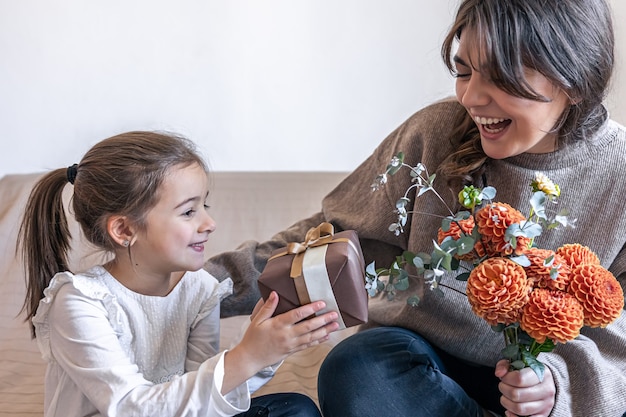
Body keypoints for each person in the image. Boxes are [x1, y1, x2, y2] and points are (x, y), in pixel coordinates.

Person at [204, 0, 626, 416]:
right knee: (357, 368)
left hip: (541, 388)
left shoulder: (619, 173)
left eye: (499, 76)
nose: (471, 97)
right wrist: (192, 290)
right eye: (463, 71)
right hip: (416, 365)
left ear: (572, 78)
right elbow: (331, 238)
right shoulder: (435, 133)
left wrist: (558, 383)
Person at [19, 131, 340, 417]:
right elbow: (130, 407)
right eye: (188, 211)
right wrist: (246, 356)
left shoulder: (199, 289)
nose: (208, 224)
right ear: (124, 229)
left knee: (295, 409)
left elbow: (201, 399)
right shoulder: (79, 302)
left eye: (205, 207)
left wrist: (265, 352)